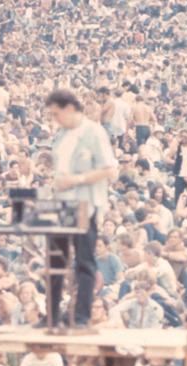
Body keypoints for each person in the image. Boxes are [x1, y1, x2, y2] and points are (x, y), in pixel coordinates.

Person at [45, 89, 118, 327]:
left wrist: (76, 180)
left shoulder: (93, 132)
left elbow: (110, 170)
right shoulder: (62, 135)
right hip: (62, 205)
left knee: (84, 262)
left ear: (68, 108)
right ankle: (52, 316)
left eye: (56, 113)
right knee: (55, 262)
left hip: (85, 205)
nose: (54, 119)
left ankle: (81, 316)